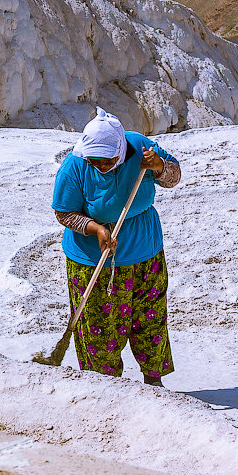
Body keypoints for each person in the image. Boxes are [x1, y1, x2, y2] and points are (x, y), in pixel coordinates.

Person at [51, 107, 181, 386]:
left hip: (145, 253)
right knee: (100, 329)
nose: (100, 166)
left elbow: (174, 176)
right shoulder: (75, 165)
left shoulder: (141, 148)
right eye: (94, 161)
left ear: (121, 150)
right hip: (92, 261)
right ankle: (106, 390)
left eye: (107, 161)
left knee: (149, 320)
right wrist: (96, 228)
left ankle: (154, 381)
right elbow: (64, 212)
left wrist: (158, 167)